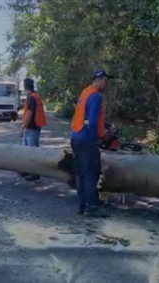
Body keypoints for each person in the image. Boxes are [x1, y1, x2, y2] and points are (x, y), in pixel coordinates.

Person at [70, 70, 113, 217]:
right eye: (105, 81)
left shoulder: (85, 92)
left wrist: (105, 125)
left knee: (81, 173)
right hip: (87, 138)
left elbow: (87, 116)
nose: (106, 84)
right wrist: (98, 139)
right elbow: (93, 122)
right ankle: (91, 207)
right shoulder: (95, 96)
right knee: (91, 173)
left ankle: (82, 205)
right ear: (99, 79)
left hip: (76, 136)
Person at [19, 78, 47, 181]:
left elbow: (29, 114)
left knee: (32, 152)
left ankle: (35, 173)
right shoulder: (35, 96)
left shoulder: (31, 97)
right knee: (27, 151)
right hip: (33, 127)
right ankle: (27, 170)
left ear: (25, 86)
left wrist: (22, 128)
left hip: (31, 128)